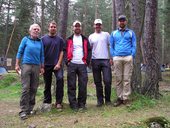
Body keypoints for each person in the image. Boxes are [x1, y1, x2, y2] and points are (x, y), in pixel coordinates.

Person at [15, 23, 44, 120]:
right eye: (34, 29)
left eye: (37, 29)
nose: (36, 31)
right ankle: (23, 110)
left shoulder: (40, 42)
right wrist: (16, 64)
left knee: (34, 88)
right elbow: (20, 51)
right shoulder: (25, 40)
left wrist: (42, 67)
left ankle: (30, 109)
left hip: (36, 67)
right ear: (30, 31)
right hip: (26, 65)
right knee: (25, 88)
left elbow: (42, 55)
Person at [64, 20, 91, 111]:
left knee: (83, 85)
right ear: (73, 28)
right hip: (72, 64)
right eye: (76, 26)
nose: (77, 28)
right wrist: (67, 62)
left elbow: (89, 50)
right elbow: (64, 51)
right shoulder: (69, 39)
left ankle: (82, 104)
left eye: (79, 26)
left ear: (81, 28)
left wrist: (87, 61)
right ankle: (73, 104)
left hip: (82, 64)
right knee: (71, 85)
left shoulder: (85, 39)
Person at [110, 15, 136, 107]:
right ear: (118, 22)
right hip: (117, 58)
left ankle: (126, 98)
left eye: (123, 20)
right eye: (120, 21)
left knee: (126, 79)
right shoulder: (113, 33)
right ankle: (119, 98)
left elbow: (134, 45)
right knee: (118, 79)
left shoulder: (131, 33)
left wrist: (132, 55)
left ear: (126, 22)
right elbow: (111, 45)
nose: (122, 22)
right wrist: (113, 56)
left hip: (128, 58)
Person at [88, 19, 112, 107]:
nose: (98, 26)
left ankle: (108, 100)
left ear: (101, 26)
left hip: (105, 60)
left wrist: (111, 57)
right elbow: (89, 50)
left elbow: (111, 46)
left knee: (107, 81)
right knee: (97, 82)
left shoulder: (106, 35)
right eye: (96, 25)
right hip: (95, 60)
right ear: (94, 26)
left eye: (99, 25)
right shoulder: (91, 36)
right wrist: (89, 60)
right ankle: (100, 100)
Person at [41, 21, 64, 110]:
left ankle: (58, 102)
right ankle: (47, 101)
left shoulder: (60, 40)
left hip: (57, 65)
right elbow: (41, 52)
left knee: (60, 79)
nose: (53, 28)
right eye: (51, 27)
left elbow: (62, 52)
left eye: (54, 27)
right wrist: (41, 65)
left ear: (56, 28)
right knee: (47, 83)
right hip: (46, 65)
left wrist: (59, 63)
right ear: (48, 28)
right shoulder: (43, 39)